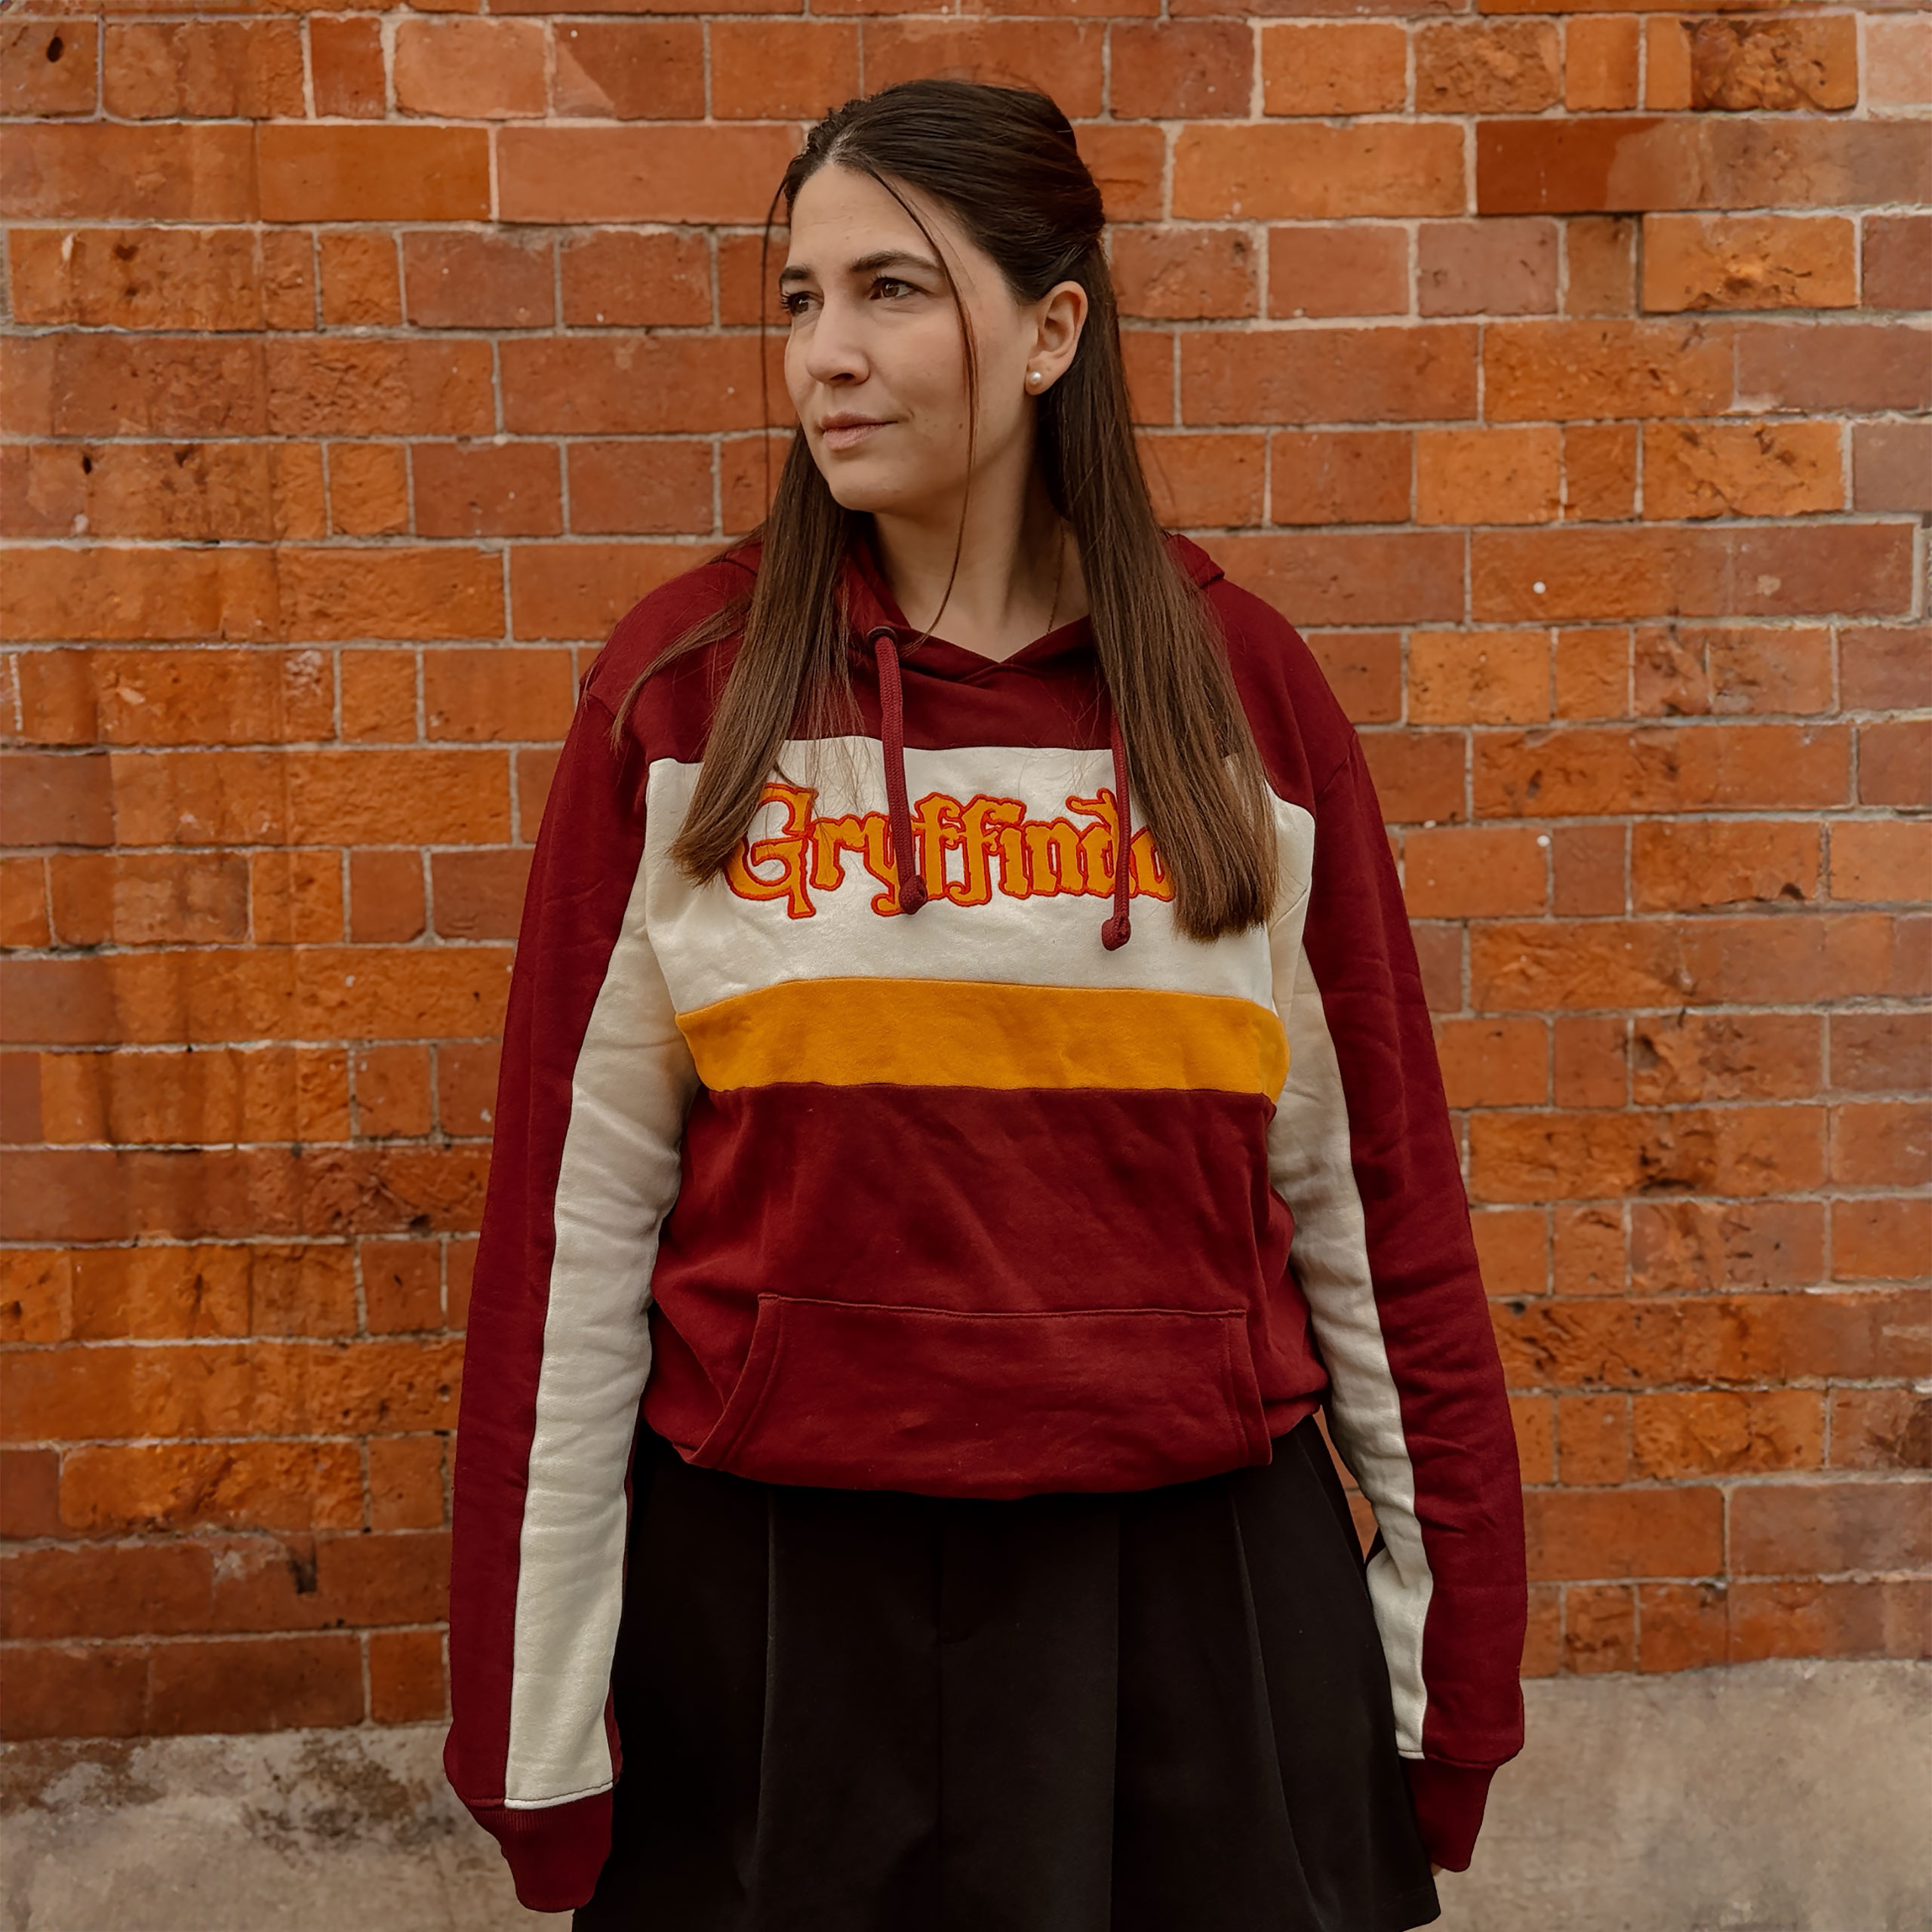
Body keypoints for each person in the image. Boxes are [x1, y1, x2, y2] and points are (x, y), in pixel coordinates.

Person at [444, 77, 1527, 1932]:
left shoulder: (1240, 696)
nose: (825, 355)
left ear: (1049, 330)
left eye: (892, 290)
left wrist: (1454, 1686)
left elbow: (1376, 1207)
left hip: (1190, 1608)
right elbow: (568, 1237)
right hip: (781, 1620)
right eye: (800, 299)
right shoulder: (686, 699)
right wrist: (533, 1736)